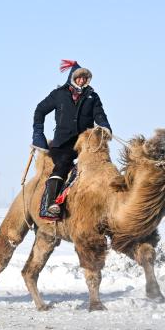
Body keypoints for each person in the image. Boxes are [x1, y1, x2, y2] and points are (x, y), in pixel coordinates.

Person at [32, 60, 111, 219]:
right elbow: (40, 110)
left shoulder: (92, 97)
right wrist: (38, 134)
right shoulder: (58, 94)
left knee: (101, 163)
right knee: (62, 165)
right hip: (63, 145)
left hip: (85, 144)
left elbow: (99, 115)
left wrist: (104, 126)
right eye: (79, 77)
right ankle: (50, 204)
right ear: (72, 78)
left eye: (85, 78)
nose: (82, 80)